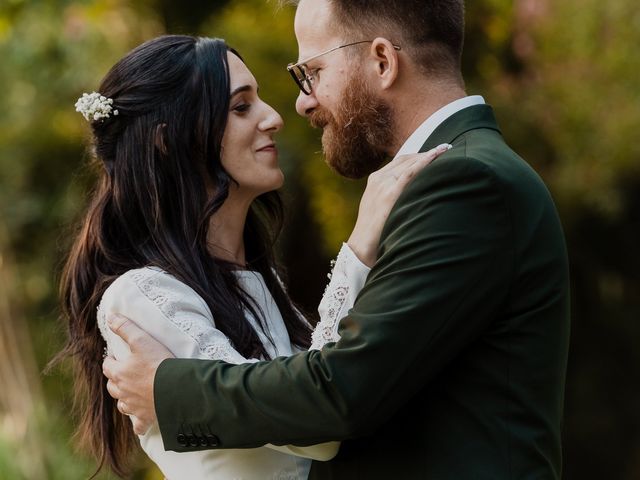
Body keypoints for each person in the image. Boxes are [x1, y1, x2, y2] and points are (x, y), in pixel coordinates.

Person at [103, 0, 571, 478]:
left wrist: (167, 391)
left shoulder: (465, 184)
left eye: (313, 72)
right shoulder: (445, 180)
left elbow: (339, 391)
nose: (300, 104)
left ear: (383, 62)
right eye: (243, 106)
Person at [55, 34, 445, 479]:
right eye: (241, 107)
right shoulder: (143, 297)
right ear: (168, 141)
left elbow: (329, 386)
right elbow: (314, 427)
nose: (274, 118)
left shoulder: (260, 281)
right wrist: (358, 251)